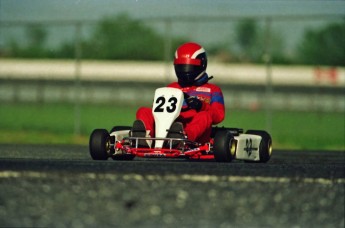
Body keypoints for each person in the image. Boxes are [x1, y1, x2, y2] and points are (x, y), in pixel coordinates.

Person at [131, 42, 225, 147]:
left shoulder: (213, 90)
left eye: (190, 67)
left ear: (202, 65)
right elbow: (158, 111)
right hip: (169, 125)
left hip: (196, 132)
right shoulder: (171, 87)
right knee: (143, 111)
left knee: (204, 116)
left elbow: (219, 116)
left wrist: (201, 106)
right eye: (182, 67)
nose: (185, 71)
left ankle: (182, 139)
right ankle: (144, 138)